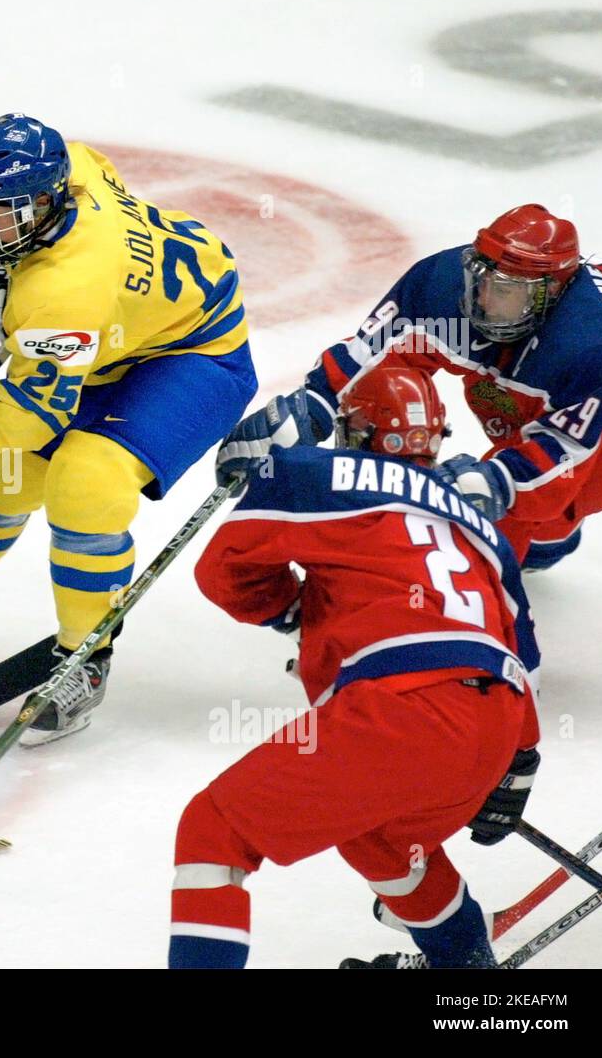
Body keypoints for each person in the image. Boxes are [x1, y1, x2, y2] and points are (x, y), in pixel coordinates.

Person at [0, 113, 258, 745]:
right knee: (4, 480)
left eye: (1, 209)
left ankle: (85, 661)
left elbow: (32, 409)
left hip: (196, 358)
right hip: (117, 339)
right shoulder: (74, 164)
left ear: (46, 202)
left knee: (85, 483)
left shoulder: (65, 290)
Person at [171, 365, 541, 969]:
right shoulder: (484, 531)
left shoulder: (322, 473)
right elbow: (521, 653)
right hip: (498, 720)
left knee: (214, 829)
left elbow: (224, 571)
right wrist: (521, 757)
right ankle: (467, 972)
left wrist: (287, 604)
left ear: (358, 431)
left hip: (405, 710)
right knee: (383, 838)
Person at [216, 204, 602, 571]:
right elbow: (375, 354)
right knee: (424, 399)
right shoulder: (443, 284)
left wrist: (497, 482)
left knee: (530, 519)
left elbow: (562, 456)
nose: (483, 300)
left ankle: (551, 532)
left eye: (506, 291)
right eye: (481, 279)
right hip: (528, 387)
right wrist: (311, 405)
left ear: (551, 291)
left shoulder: (591, 344)